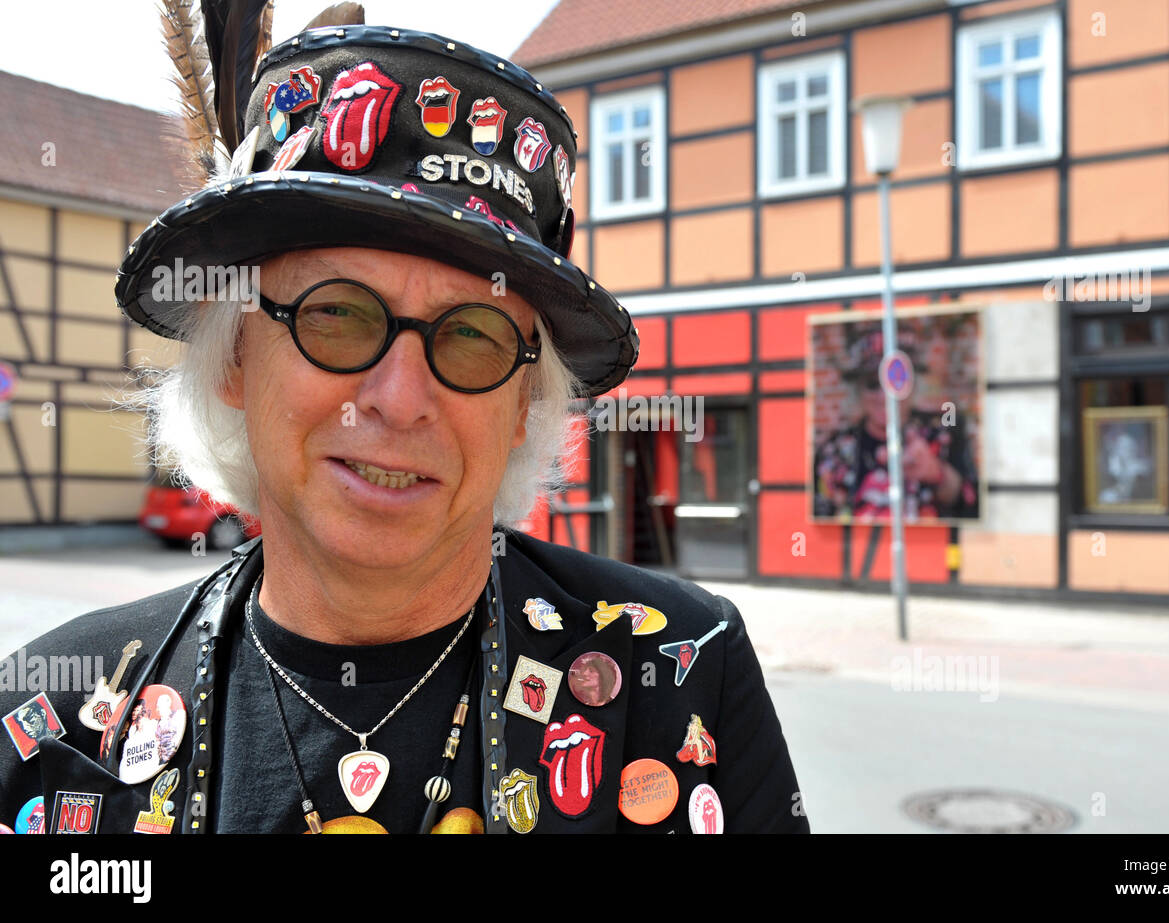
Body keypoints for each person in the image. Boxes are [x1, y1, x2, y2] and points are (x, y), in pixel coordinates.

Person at [0, 5, 807, 835]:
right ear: (235, 356)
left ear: (525, 405)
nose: (398, 396)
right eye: (339, 315)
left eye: (472, 335)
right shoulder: (49, 722)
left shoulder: (680, 676)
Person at [814, 330, 978, 521]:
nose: (885, 396)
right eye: (873, 384)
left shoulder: (943, 436)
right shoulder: (833, 451)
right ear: (859, 389)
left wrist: (938, 474)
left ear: (913, 384)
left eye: (895, 380)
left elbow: (973, 507)